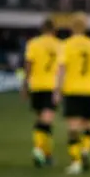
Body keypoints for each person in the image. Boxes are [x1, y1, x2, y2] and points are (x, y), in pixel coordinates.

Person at [53, 13, 90, 175]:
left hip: (72, 89)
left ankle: (76, 162)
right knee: (88, 125)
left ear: (71, 27)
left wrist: (57, 90)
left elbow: (61, 69)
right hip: (88, 89)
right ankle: (85, 150)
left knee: (73, 127)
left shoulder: (66, 45)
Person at [23, 18, 63, 167]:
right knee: (47, 120)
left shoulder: (33, 44)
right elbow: (62, 68)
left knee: (41, 118)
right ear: (55, 30)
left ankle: (46, 155)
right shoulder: (60, 45)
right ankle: (38, 149)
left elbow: (28, 65)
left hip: (36, 84)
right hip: (52, 86)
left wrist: (25, 84)